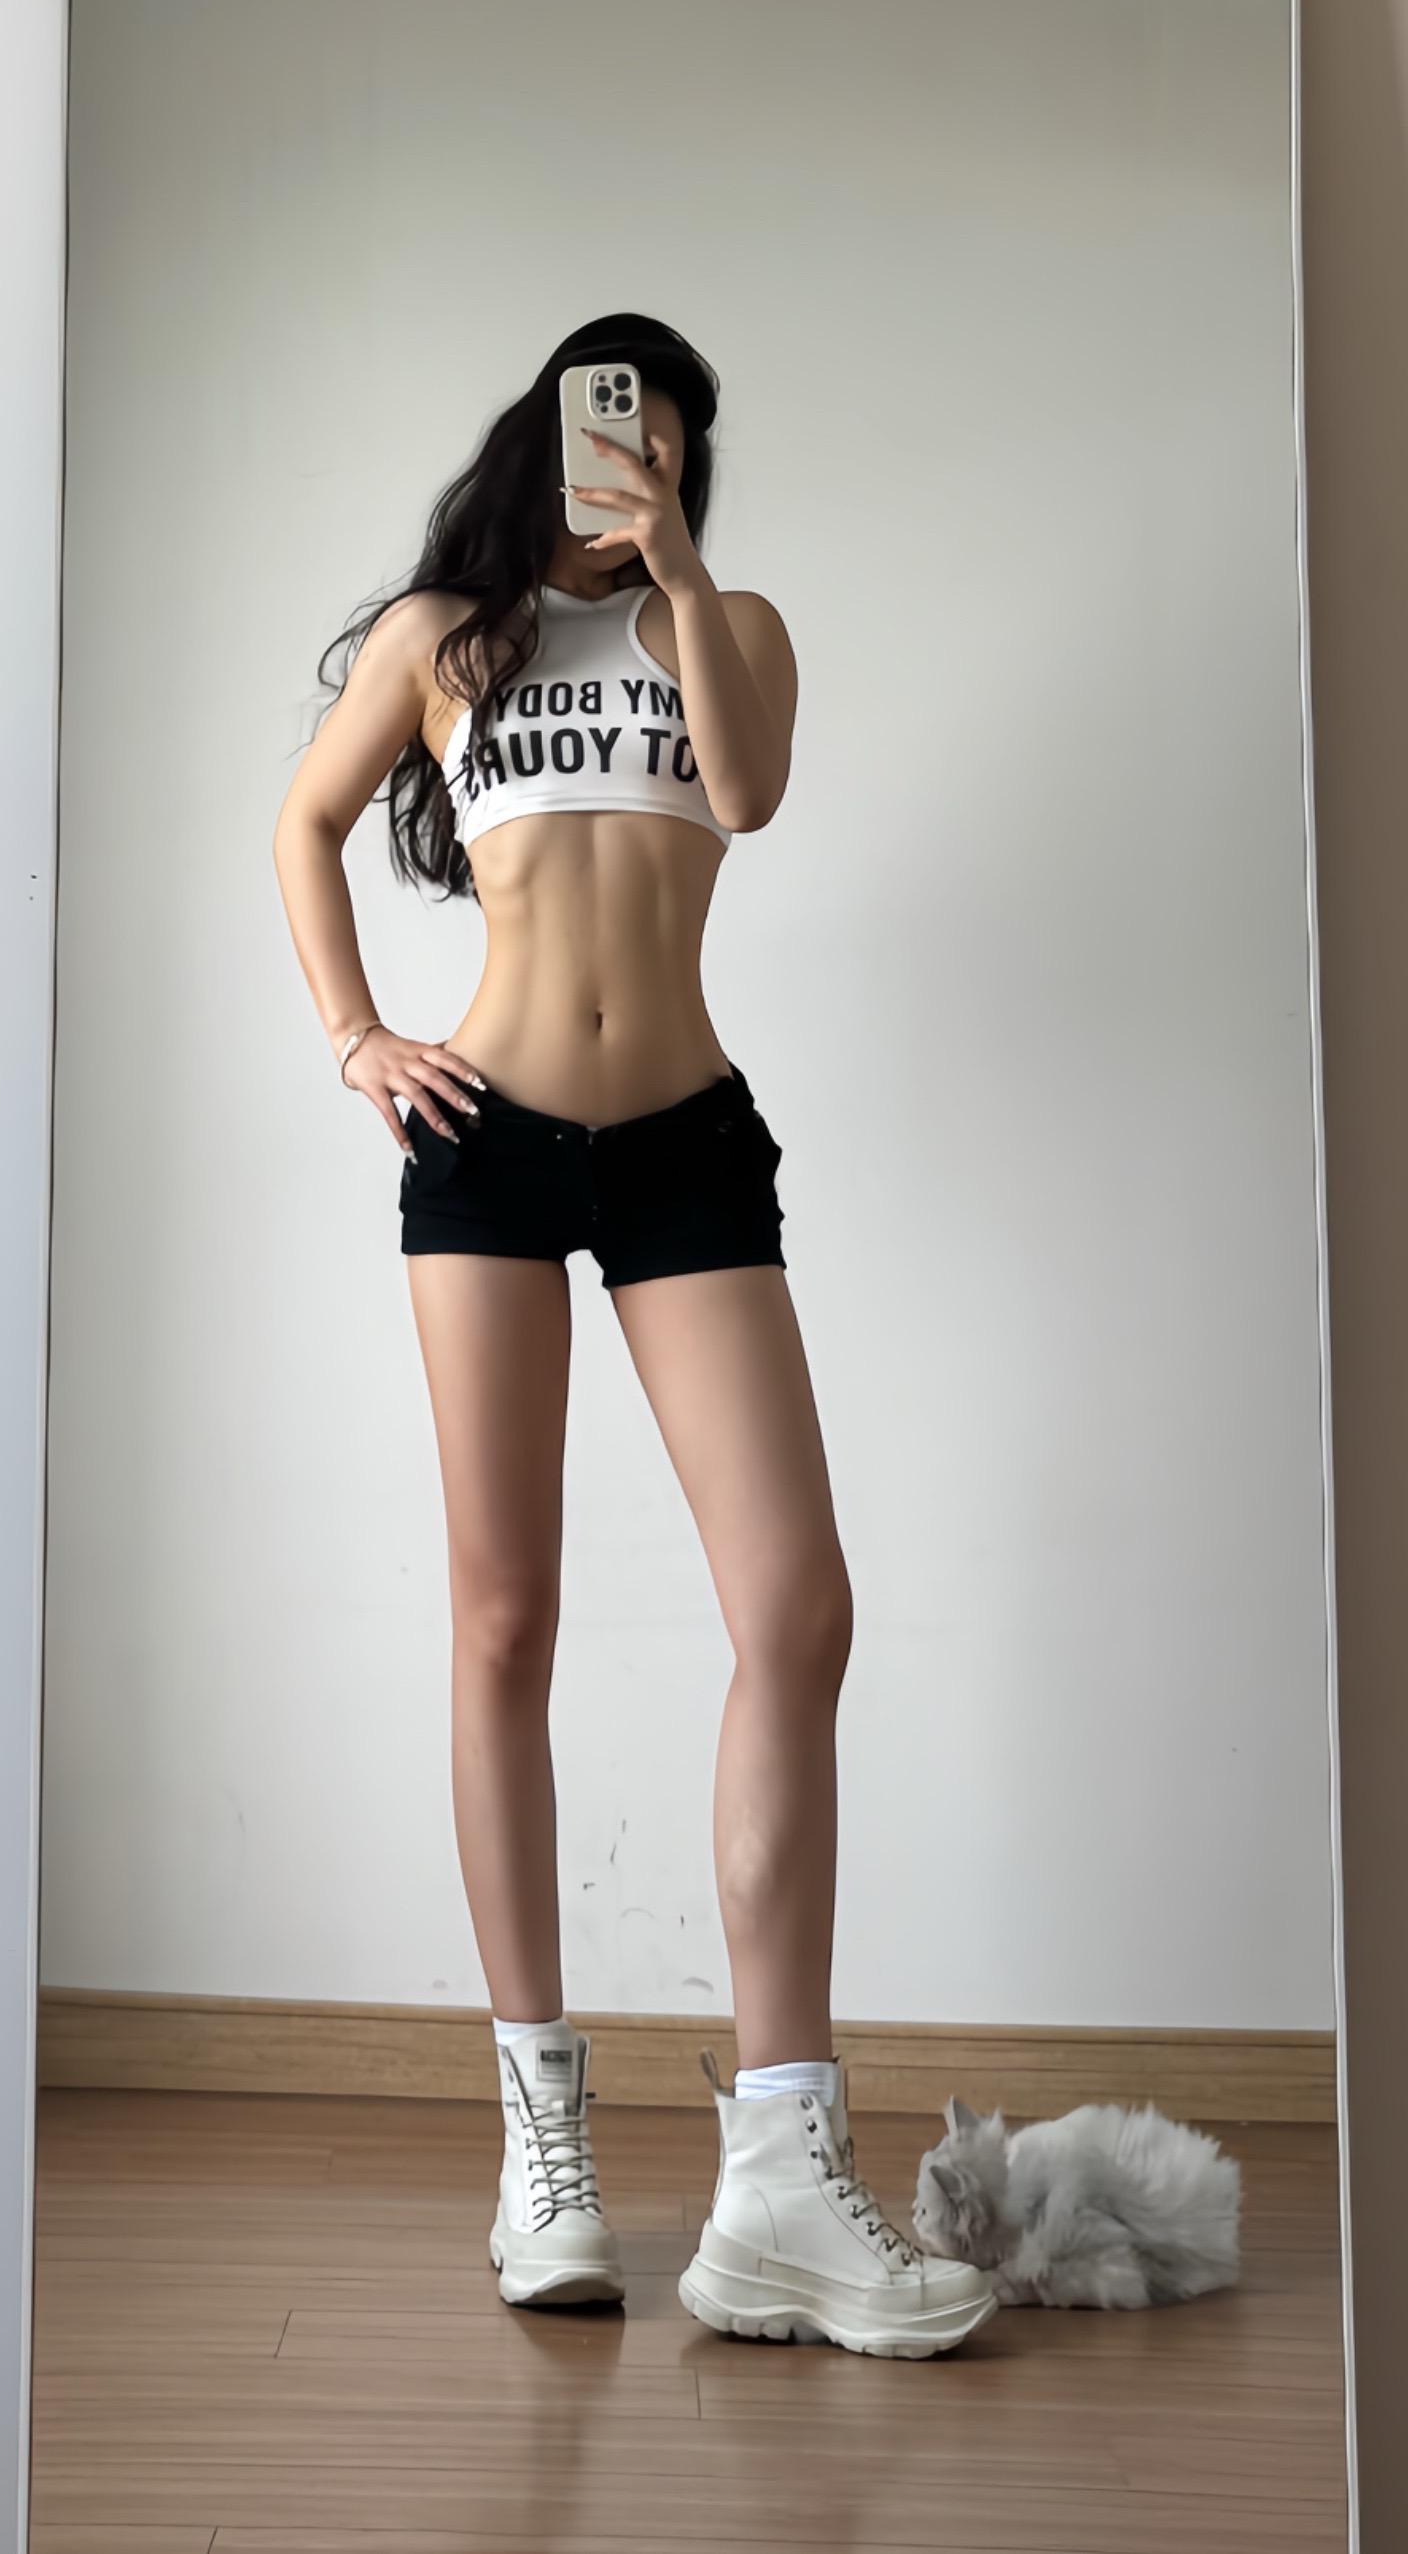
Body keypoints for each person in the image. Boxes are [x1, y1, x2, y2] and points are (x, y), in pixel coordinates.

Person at [272, 312, 995, 2360]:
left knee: (798, 1606)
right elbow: (300, 823)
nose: (637, 465)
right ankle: (543, 2136)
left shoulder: (728, 626)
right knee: (506, 1617)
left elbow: (747, 796)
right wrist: (356, 1034)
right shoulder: (445, 638)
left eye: (668, 447)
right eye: (615, 435)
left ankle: (780, 2168)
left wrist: (676, 567)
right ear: (551, 438)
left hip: (684, 1139)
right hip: (487, 1135)